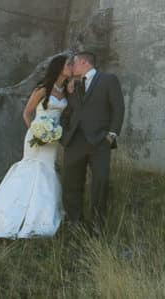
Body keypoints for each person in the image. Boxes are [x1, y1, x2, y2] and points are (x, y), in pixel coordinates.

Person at [0, 54, 69, 239]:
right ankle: (12, 215)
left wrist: (51, 134)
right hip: (37, 137)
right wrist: (36, 132)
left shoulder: (66, 90)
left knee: (48, 170)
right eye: (68, 65)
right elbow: (27, 113)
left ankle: (41, 216)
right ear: (59, 68)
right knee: (31, 170)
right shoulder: (42, 89)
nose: (71, 67)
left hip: (53, 138)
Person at [61, 51, 125, 228]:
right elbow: (67, 111)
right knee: (71, 183)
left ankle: (98, 225)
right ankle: (74, 223)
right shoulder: (71, 85)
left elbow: (118, 108)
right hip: (74, 141)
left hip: (100, 141)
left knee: (100, 183)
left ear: (83, 62)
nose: (71, 67)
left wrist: (112, 135)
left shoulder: (108, 80)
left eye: (73, 63)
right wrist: (64, 134)